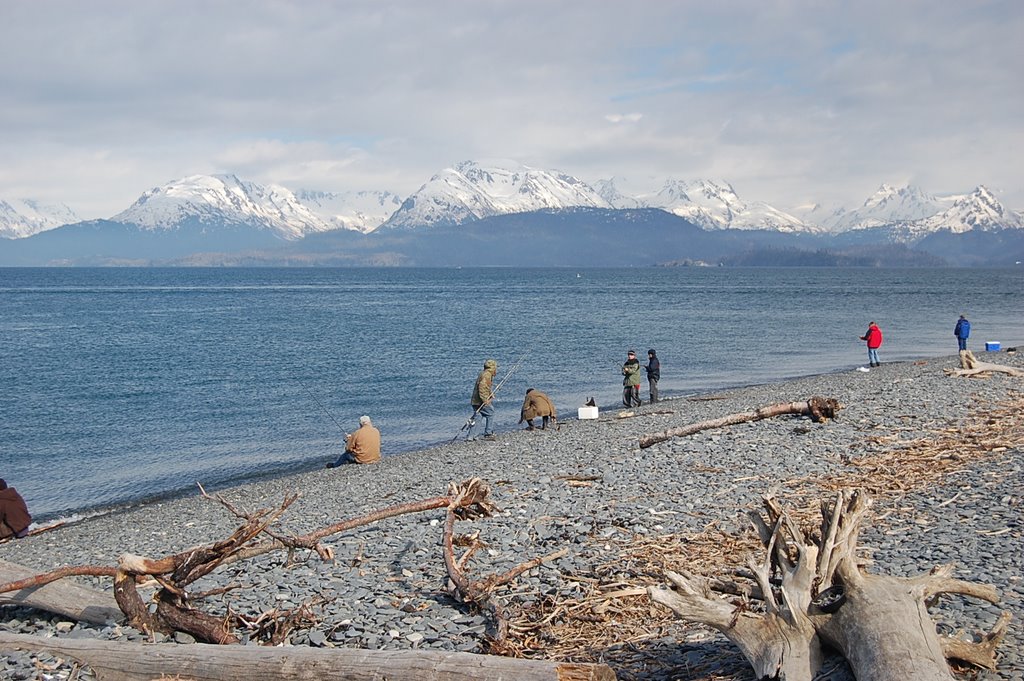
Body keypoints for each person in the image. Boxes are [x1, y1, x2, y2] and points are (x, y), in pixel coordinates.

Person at [471, 359, 498, 440]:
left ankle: (472, 436)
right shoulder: (487, 375)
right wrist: (485, 400)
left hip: (475, 401)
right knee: (491, 412)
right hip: (480, 401)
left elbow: (486, 387)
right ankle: (488, 433)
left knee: (478, 417)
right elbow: (482, 388)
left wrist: (491, 393)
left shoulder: (483, 373)